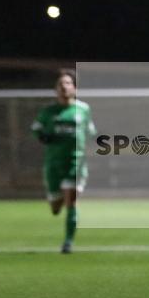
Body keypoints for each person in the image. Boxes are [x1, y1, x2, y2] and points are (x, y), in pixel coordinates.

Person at [31, 69, 96, 254]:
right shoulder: (48, 112)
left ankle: (68, 242)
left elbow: (91, 132)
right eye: (60, 84)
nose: (64, 87)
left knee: (71, 202)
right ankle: (55, 200)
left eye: (68, 83)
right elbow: (35, 128)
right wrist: (42, 136)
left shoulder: (83, 109)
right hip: (53, 165)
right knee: (55, 207)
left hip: (75, 163)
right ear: (55, 89)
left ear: (74, 88)